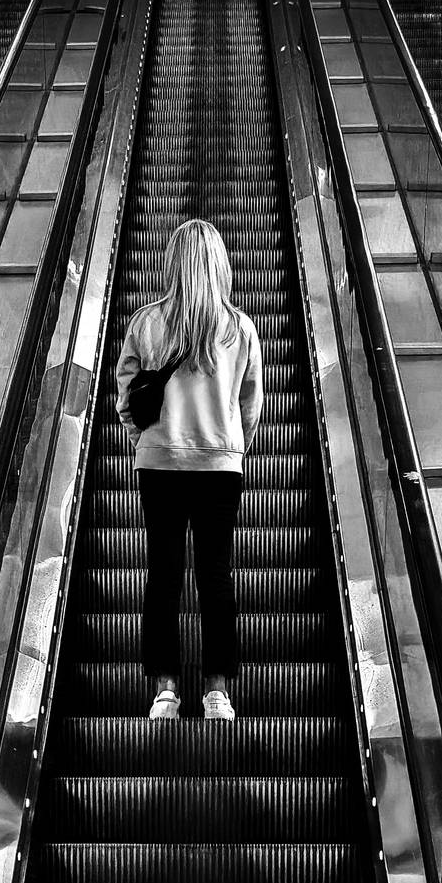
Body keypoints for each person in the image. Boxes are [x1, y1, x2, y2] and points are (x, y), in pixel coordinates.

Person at [115, 218, 264, 721]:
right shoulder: (240, 328)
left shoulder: (146, 323)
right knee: (215, 576)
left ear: (172, 262)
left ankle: (165, 691)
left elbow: (127, 400)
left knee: (163, 574)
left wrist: (149, 443)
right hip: (219, 466)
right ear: (219, 264)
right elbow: (250, 405)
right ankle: (217, 693)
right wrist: (230, 448)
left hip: (160, 465)